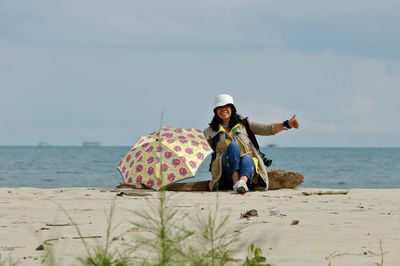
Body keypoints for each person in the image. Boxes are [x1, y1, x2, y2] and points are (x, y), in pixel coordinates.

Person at [203, 94, 299, 193]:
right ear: (215, 111)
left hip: (247, 168)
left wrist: (286, 124)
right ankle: (236, 181)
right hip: (225, 171)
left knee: (248, 157)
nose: (223, 110)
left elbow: (267, 129)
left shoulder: (245, 124)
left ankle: (241, 183)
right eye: (220, 107)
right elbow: (201, 148)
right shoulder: (210, 131)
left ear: (232, 108)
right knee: (233, 146)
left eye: (226, 106)